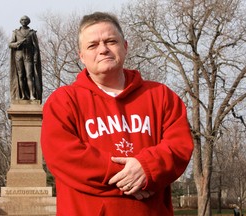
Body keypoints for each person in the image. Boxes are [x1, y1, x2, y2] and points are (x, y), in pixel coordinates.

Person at [41, 11, 193, 216]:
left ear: (125, 46)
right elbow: (63, 156)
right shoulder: (63, 101)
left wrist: (147, 168)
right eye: (93, 45)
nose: (103, 49)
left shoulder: (161, 96)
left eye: (111, 41)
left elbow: (179, 146)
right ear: (82, 55)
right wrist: (131, 176)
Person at [9, 15, 42, 102]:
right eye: (22, 20)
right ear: (20, 21)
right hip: (19, 55)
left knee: (29, 75)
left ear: (28, 21)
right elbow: (10, 44)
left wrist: (35, 57)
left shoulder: (32, 33)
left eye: (26, 20)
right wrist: (18, 43)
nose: (24, 21)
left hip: (28, 56)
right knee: (20, 75)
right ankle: (23, 95)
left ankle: (31, 95)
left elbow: (35, 47)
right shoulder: (16, 32)